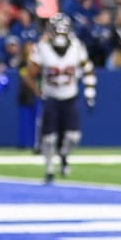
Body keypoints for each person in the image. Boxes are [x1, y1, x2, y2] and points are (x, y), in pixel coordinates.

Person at [28, 14, 95, 183]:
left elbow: (88, 69)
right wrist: (38, 91)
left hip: (70, 96)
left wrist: (90, 92)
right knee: (49, 138)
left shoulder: (77, 46)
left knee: (73, 137)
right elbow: (30, 75)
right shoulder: (41, 48)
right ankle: (49, 168)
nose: (60, 34)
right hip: (51, 96)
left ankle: (64, 155)